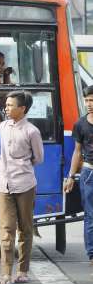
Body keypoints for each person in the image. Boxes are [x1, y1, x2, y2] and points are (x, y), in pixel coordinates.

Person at [0, 90, 44, 284]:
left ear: (22, 109)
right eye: (6, 105)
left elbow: (38, 158)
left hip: (25, 185)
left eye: (10, 105)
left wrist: (21, 165)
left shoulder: (32, 131)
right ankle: (6, 273)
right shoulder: (4, 127)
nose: (6, 108)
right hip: (3, 184)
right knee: (6, 229)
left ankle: (23, 271)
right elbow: (3, 155)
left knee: (25, 229)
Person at [65, 86, 93, 265]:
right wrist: (70, 177)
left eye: (92, 100)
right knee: (90, 216)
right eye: (87, 100)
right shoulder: (80, 124)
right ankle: (92, 254)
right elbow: (76, 152)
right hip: (88, 174)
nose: (89, 104)